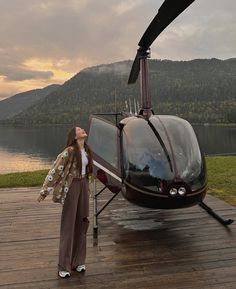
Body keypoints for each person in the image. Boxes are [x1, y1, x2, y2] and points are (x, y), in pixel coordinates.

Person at [37, 126, 93, 278]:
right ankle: (64, 265)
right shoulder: (69, 151)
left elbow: (88, 170)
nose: (82, 130)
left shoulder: (87, 150)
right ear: (74, 137)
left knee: (82, 222)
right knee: (68, 225)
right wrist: (44, 191)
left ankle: (78, 261)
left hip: (83, 185)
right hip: (72, 186)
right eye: (79, 129)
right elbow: (55, 170)